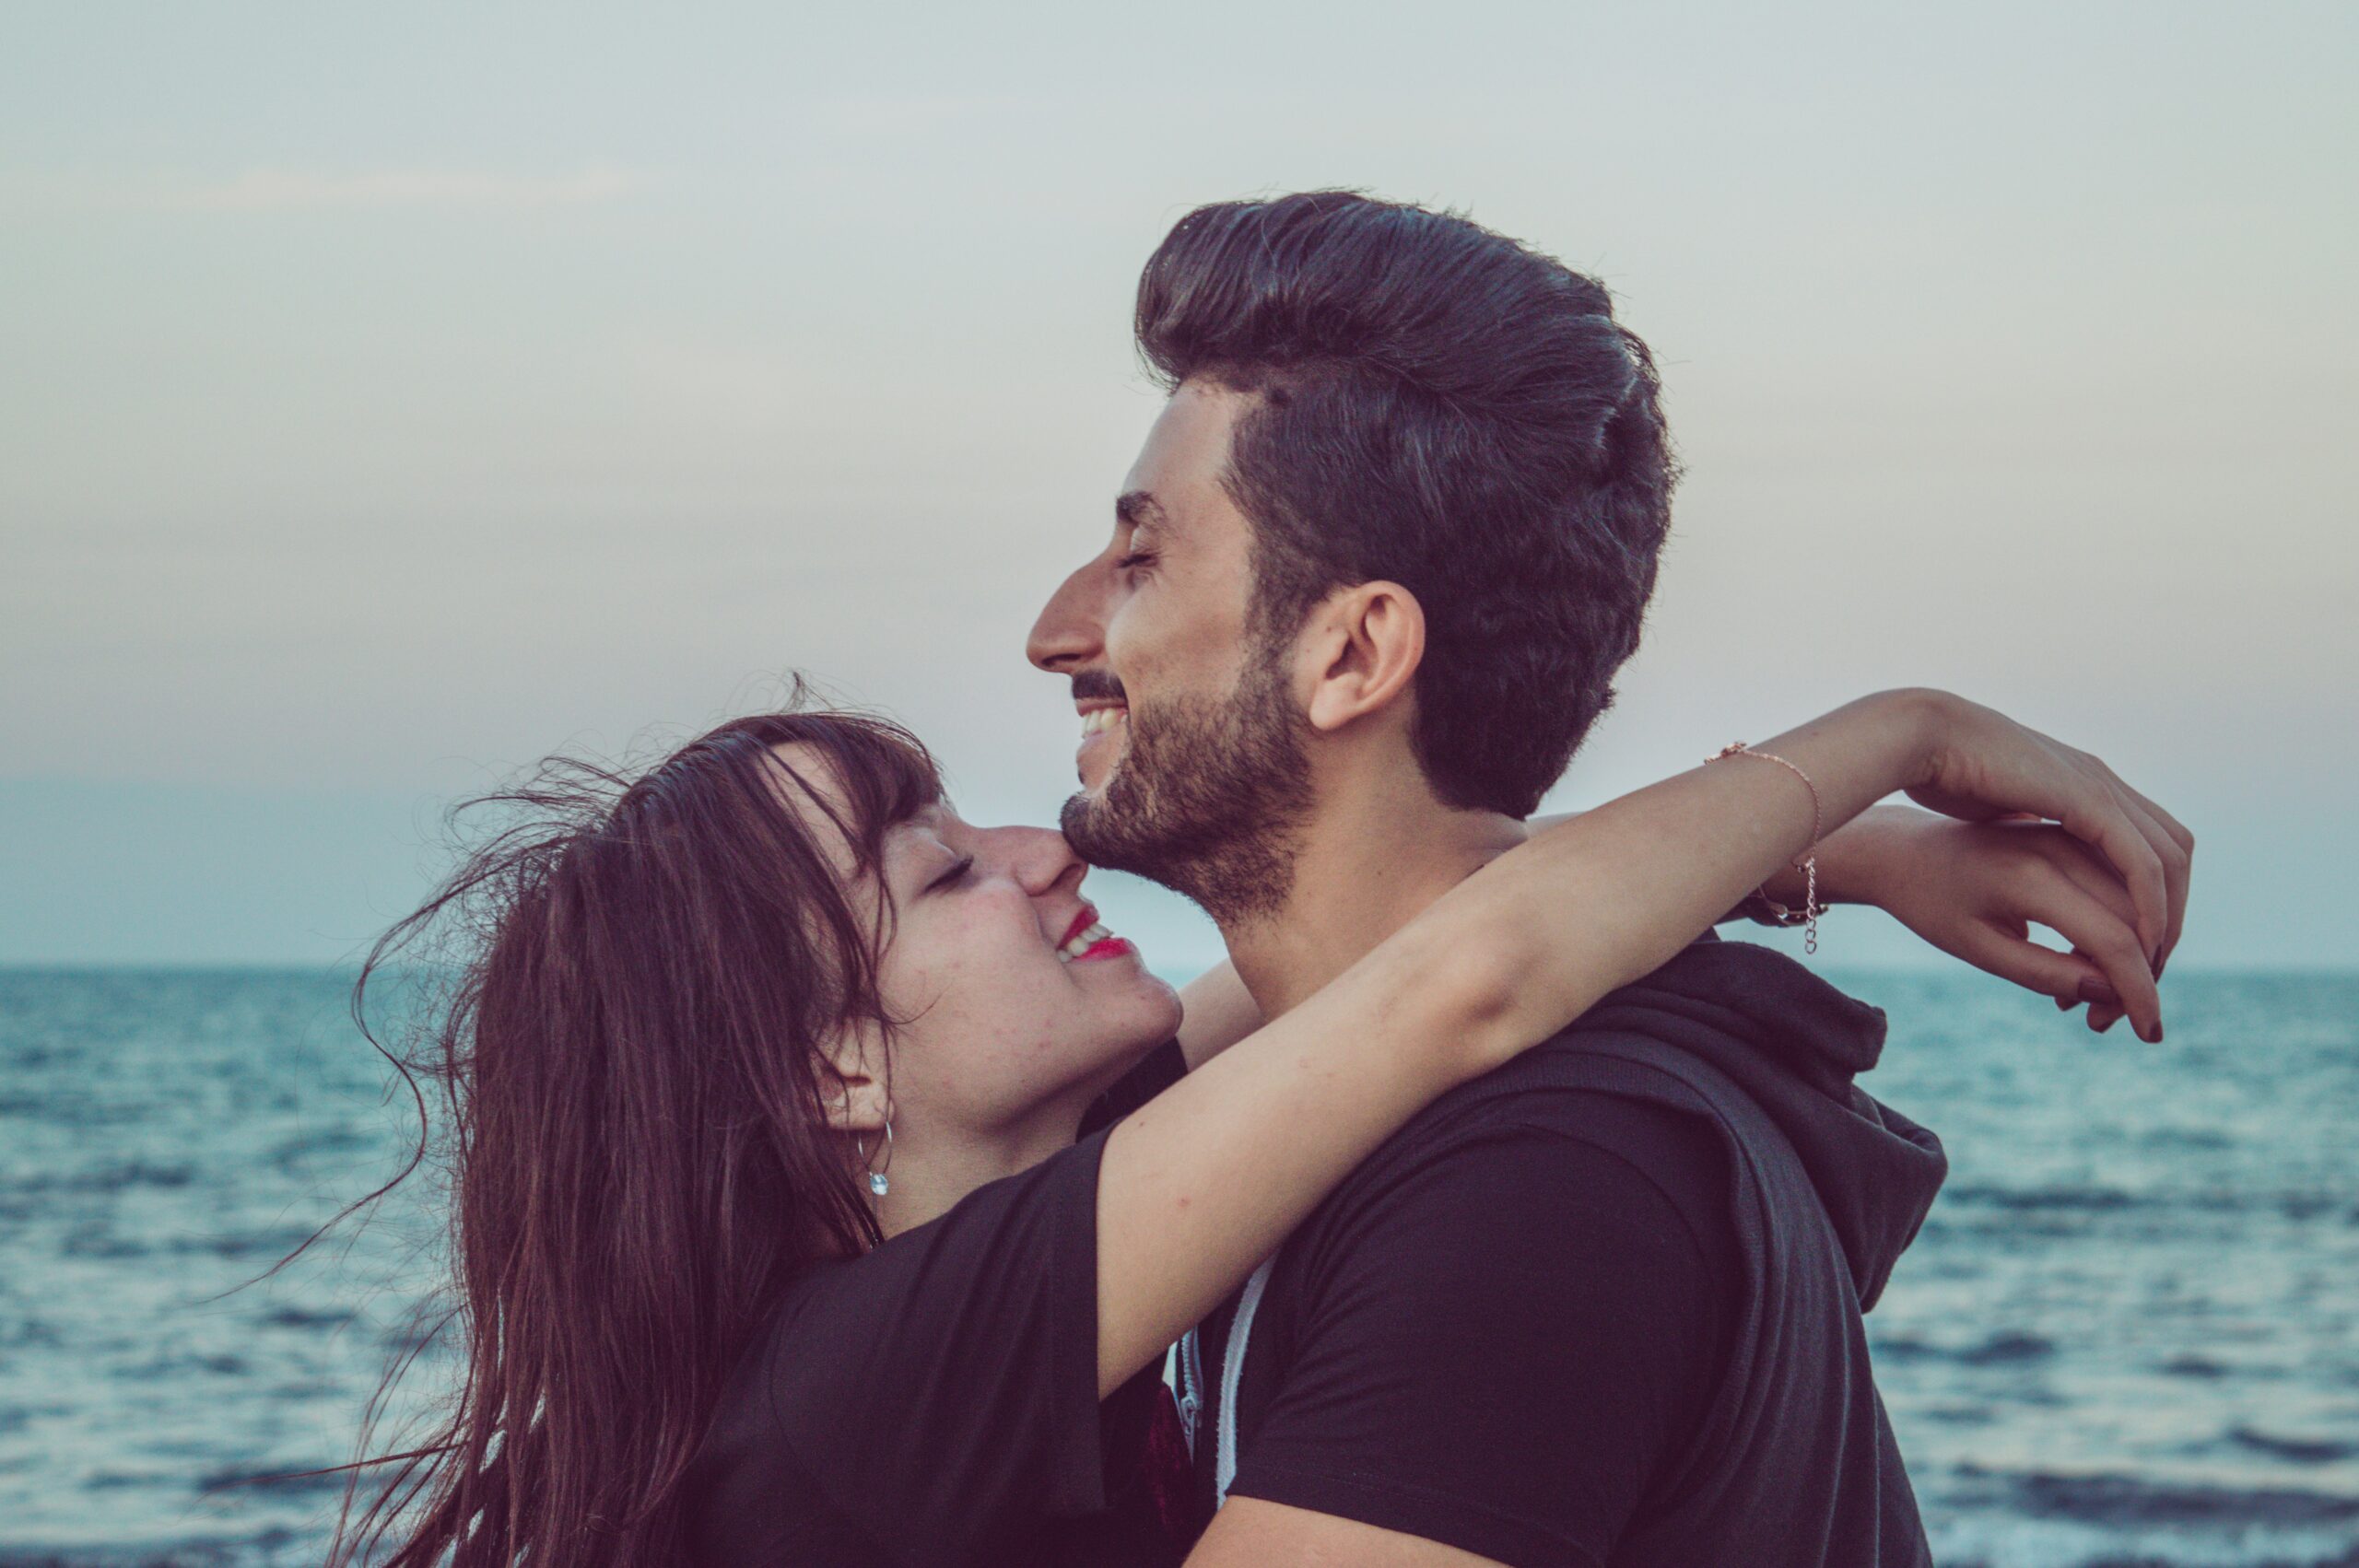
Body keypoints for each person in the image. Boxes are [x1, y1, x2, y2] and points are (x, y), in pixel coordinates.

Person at [326, 686, 2175, 1568]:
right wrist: (1903, 738)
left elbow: (1408, 928)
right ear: (833, 1075)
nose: (1047, 846)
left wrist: (1854, 861)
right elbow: (1460, 984)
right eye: (945, 870)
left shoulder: (1074, 1189)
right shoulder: (860, 1377)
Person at [1026, 190, 2194, 1566]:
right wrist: (1854, 843)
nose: (1058, 631)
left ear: (1352, 656)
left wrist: (1876, 780)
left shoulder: (1535, 1192)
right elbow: (1481, 925)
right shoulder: (1299, 1090)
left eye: (1141, 559)